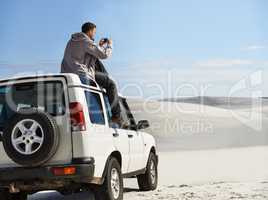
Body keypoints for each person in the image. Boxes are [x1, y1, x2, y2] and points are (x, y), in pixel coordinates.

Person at [61, 22, 121, 124]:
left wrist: (99, 45)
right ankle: (116, 116)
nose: (94, 34)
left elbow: (89, 53)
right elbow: (103, 55)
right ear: (89, 31)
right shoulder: (85, 41)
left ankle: (106, 80)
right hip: (81, 74)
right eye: (94, 32)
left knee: (97, 63)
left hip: (68, 73)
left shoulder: (72, 41)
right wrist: (109, 45)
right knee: (111, 85)